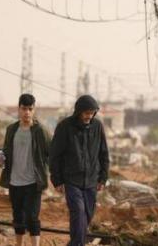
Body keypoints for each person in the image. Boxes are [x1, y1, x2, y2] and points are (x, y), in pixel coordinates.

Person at [49, 94, 110, 246]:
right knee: (78, 212)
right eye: (86, 113)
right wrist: (57, 180)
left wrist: (103, 178)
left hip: (91, 181)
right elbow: (55, 155)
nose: (89, 116)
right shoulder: (65, 127)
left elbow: (104, 153)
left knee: (86, 217)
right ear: (79, 112)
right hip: (71, 180)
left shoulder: (97, 126)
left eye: (92, 113)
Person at [0, 93, 52, 246]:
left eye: (30, 109)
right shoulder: (11, 129)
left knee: (32, 217)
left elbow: (51, 154)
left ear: (34, 110)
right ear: (19, 109)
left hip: (33, 182)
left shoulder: (40, 131)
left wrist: (51, 175)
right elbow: (6, 150)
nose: (27, 112)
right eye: (24, 108)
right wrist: (1, 157)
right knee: (18, 217)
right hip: (14, 181)